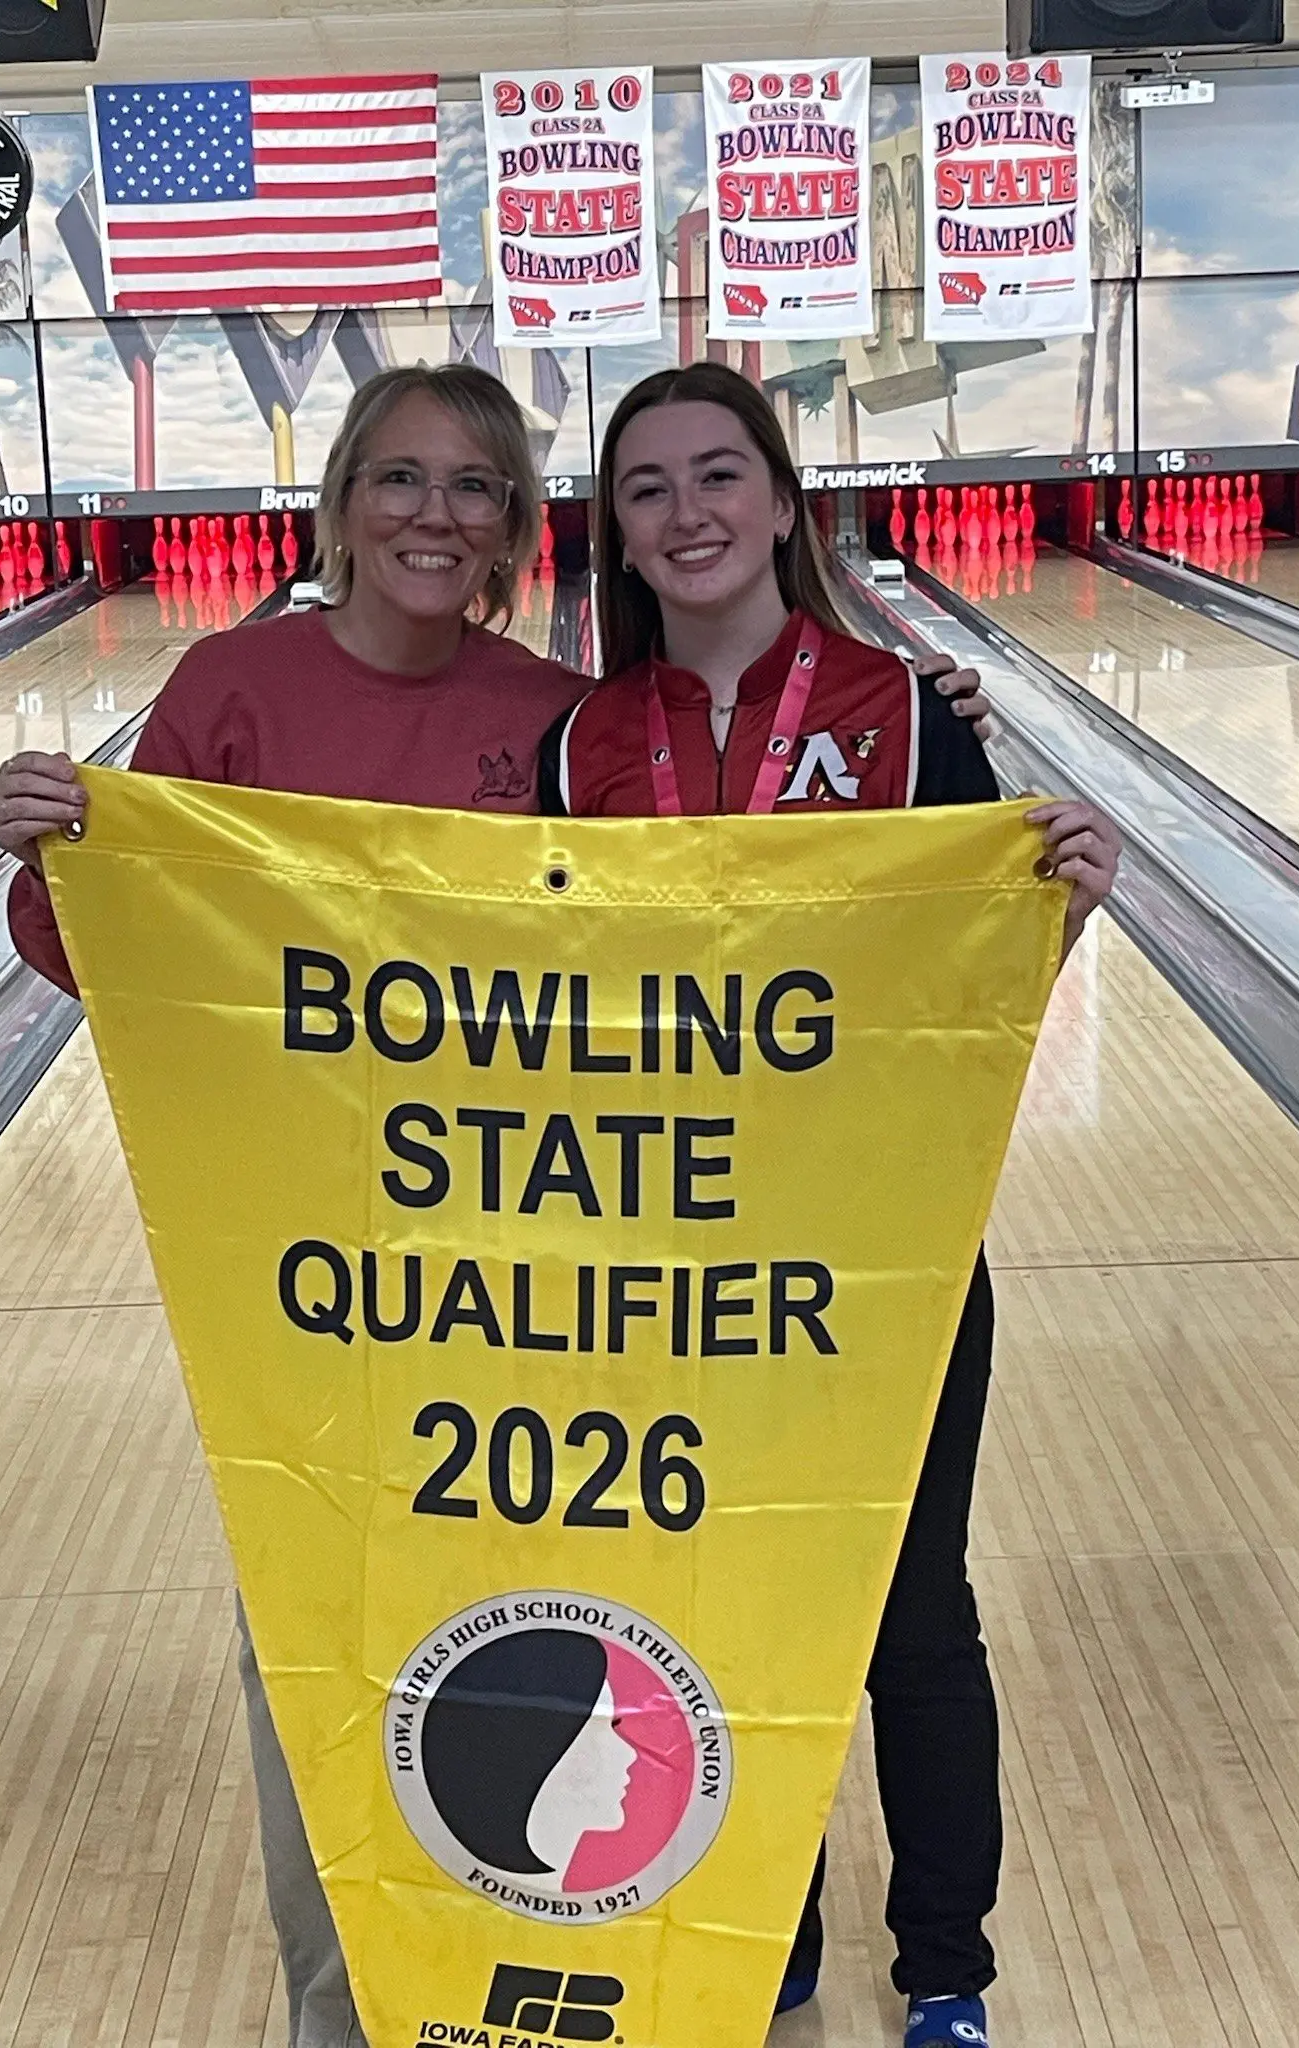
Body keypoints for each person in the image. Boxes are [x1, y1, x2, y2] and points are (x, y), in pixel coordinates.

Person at [0, 361, 994, 2048]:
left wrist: (969, 788)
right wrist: (59, 854)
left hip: (583, 1270)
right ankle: (353, 2004)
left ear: (523, 527)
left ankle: (658, 1956)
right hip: (337, 1269)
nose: (432, 517)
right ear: (342, 501)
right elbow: (147, 957)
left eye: (472, 488)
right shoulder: (255, 688)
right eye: (398, 480)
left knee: (672, 1610)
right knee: (320, 1627)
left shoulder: (557, 719)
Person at [538, 361, 1122, 2048]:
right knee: (718, 1604)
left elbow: (958, 993)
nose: (690, 511)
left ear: (783, 503)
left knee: (912, 1610)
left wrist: (1060, 911)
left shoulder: (908, 714)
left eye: (722, 475)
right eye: (649, 488)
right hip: (675, 1267)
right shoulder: (585, 744)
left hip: (888, 1259)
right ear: (619, 536)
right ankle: (760, 1927)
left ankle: (946, 1970)